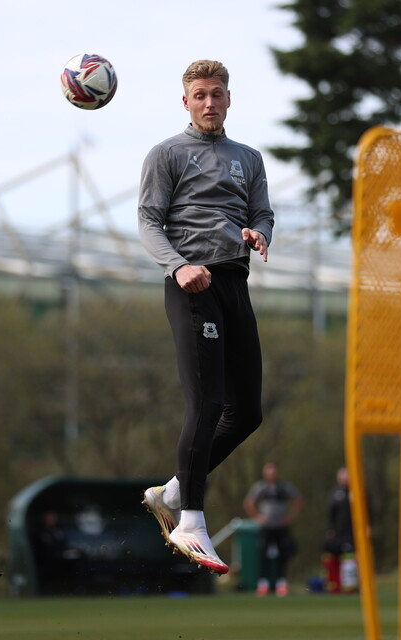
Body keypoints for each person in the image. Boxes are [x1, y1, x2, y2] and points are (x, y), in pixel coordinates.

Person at [138, 59, 274, 575]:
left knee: (247, 412)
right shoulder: (166, 154)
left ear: (229, 99)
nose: (209, 102)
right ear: (186, 101)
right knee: (208, 400)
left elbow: (262, 212)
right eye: (200, 94)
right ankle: (191, 521)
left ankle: (172, 490)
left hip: (234, 283)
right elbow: (148, 222)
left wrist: (260, 232)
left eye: (217, 93)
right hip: (192, 286)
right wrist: (178, 267)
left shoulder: (249, 158)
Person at [243, 462, 303, 596]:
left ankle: (282, 584)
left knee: (283, 555)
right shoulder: (260, 487)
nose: (271, 475)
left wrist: (291, 516)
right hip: (266, 526)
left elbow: (298, 499)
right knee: (263, 554)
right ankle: (263, 584)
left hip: (280, 526)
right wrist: (257, 517)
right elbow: (249, 502)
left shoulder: (284, 487)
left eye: (273, 472)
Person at [322, 467, 359, 593]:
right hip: (338, 533)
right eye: (343, 476)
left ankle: (351, 587)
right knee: (332, 557)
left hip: (353, 532)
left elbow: (368, 511)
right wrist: (330, 529)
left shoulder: (358, 492)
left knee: (350, 559)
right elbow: (330, 513)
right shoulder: (335, 493)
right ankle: (334, 585)